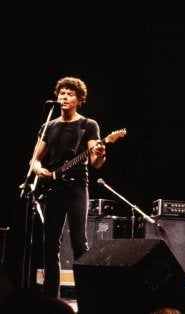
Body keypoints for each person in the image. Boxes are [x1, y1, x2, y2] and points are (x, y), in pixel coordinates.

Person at [29, 77, 106, 298]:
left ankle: (87, 297)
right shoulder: (48, 127)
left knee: (79, 243)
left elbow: (95, 162)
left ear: (80, 100)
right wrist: (37, 169)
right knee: (49, 244)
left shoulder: (88, 125)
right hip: (53, 188)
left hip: (77, 189)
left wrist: (100, 154)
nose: (64, 96)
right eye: (61, 92)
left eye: (70, 93)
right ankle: (51, 299)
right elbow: (34, 159)